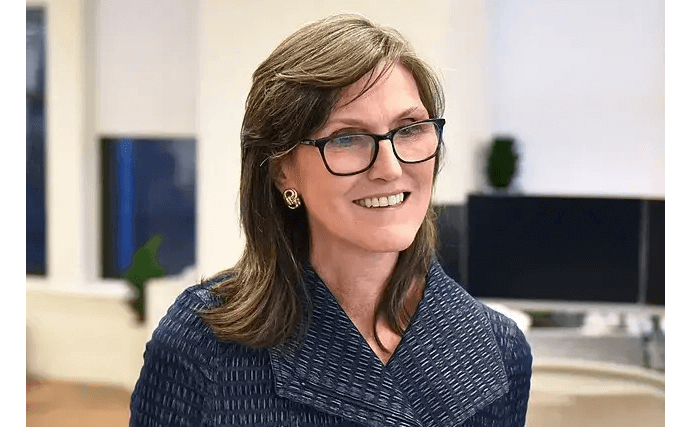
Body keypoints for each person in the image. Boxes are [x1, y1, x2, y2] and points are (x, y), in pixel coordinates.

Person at [130, 13, 532, 427]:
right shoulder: (202, 343)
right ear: (282, 170)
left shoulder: (500, 349)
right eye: (347, 138)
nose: (390, 168)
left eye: (410, 129)